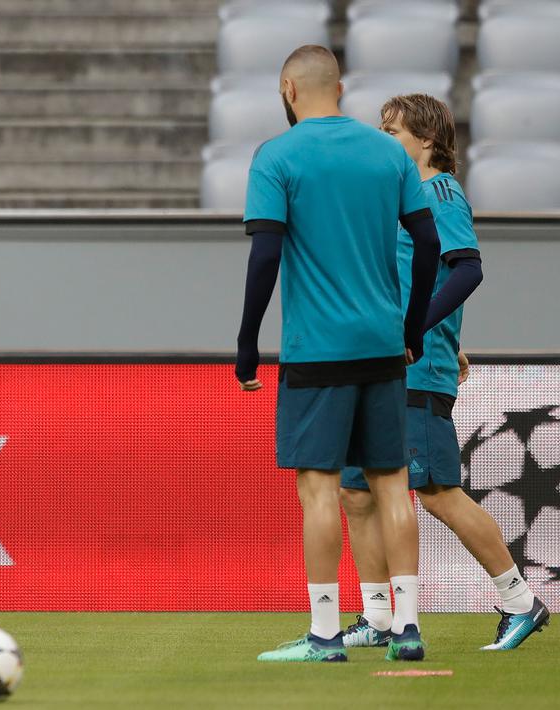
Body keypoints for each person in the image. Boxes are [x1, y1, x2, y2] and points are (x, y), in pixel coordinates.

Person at [235, 45, 440, 662]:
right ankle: (407, 628)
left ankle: (325, 634)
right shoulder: (388, 153)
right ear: (341, 89)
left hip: (316, 351)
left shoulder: (276, 156)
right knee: (392, 487)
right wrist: (411, 328)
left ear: (288, 89)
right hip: (382, 346)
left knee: (319, 490)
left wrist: (247, 345)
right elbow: (428, 245)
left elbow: (265, 256)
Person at [340, 94, 549, 652]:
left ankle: (520, 600)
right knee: (357, 491)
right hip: (380, 367)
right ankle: (378, 618)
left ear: (426, 140)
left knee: (435, 491)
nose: (383, 136)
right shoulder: (404, 200)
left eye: (393, 129)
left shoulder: (440, 191)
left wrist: (420, 332)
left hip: (413, 369)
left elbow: (467, 270)